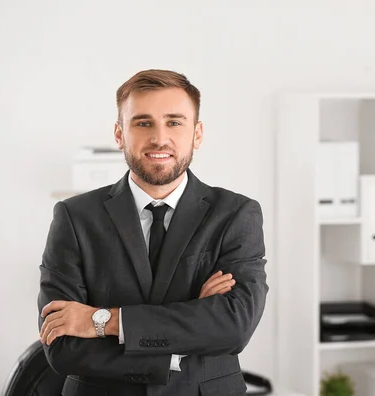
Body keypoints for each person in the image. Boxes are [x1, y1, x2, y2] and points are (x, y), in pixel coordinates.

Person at [37, 69, 268, 396]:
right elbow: (62, 345)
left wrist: (100, 321)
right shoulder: (74, 217)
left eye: (174, 122)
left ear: (197, 134)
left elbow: (234, 327)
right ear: (119, 134)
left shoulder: (235, 214)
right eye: (143, 123)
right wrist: (186, 336)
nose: (160, 138)